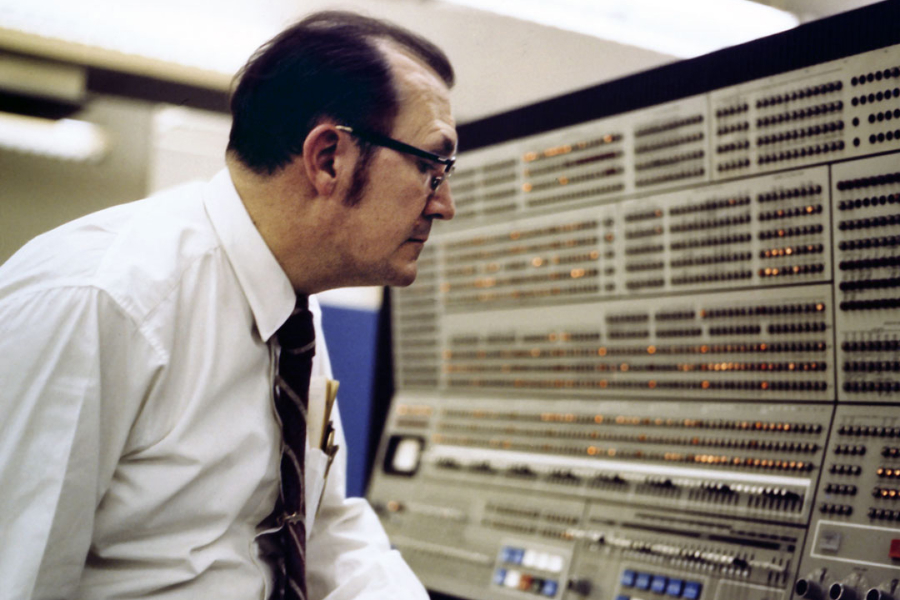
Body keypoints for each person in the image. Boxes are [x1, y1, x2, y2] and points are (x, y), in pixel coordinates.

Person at [0, 10, 456, 600]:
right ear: (329, 158)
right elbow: (16, 573)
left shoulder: (292, 310)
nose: (444, 204)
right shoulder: (101, 299)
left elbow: (325, 530)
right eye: (431, 166)